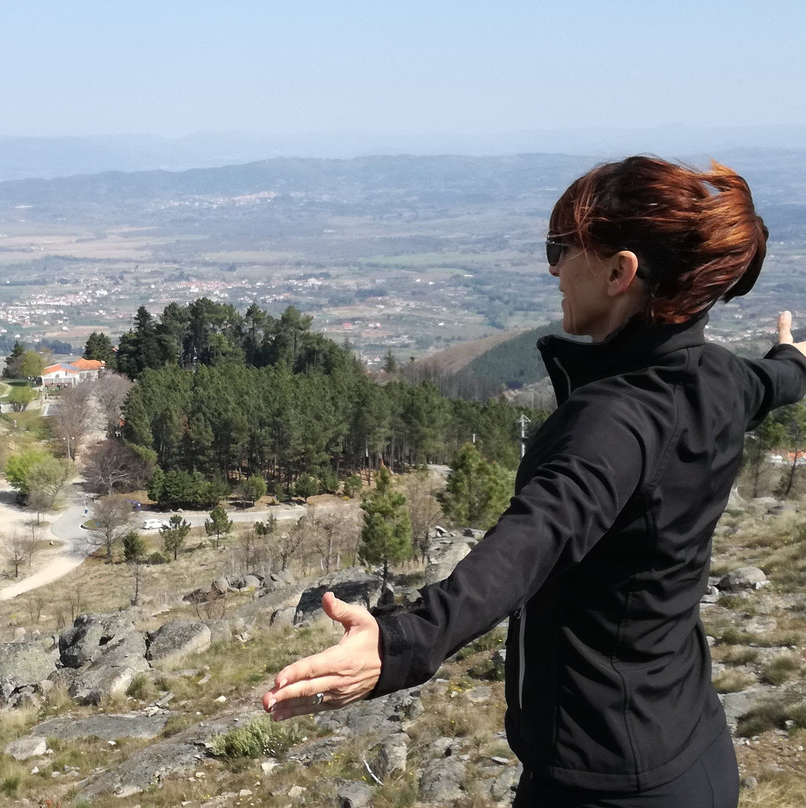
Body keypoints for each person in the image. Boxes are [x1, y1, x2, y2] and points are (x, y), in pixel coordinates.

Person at [262, 156, 806, 808]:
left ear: (620, 272)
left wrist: (400, 643)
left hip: (602, 784)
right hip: (692, 751)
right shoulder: (721, 378)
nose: (553, 270)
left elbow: (533, 539)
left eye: (561, 249)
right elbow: (778, 382)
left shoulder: (615, 422)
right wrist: (792, 356)